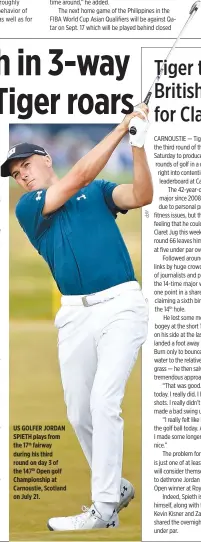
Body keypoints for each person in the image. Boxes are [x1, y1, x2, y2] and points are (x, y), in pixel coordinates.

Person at [2, 104, 153, 531]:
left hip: (122, 305)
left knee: (104, 401)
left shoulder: (100, 192)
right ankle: (115, 486)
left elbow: (141, 195)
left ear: (45, 160)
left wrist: (138, 144)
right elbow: (79, 177)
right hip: (74, 315)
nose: (22, 176)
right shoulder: (29, 208)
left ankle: (104, 509)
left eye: (26, 165)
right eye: (16, 173)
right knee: (78, 412)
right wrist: (121, 127)